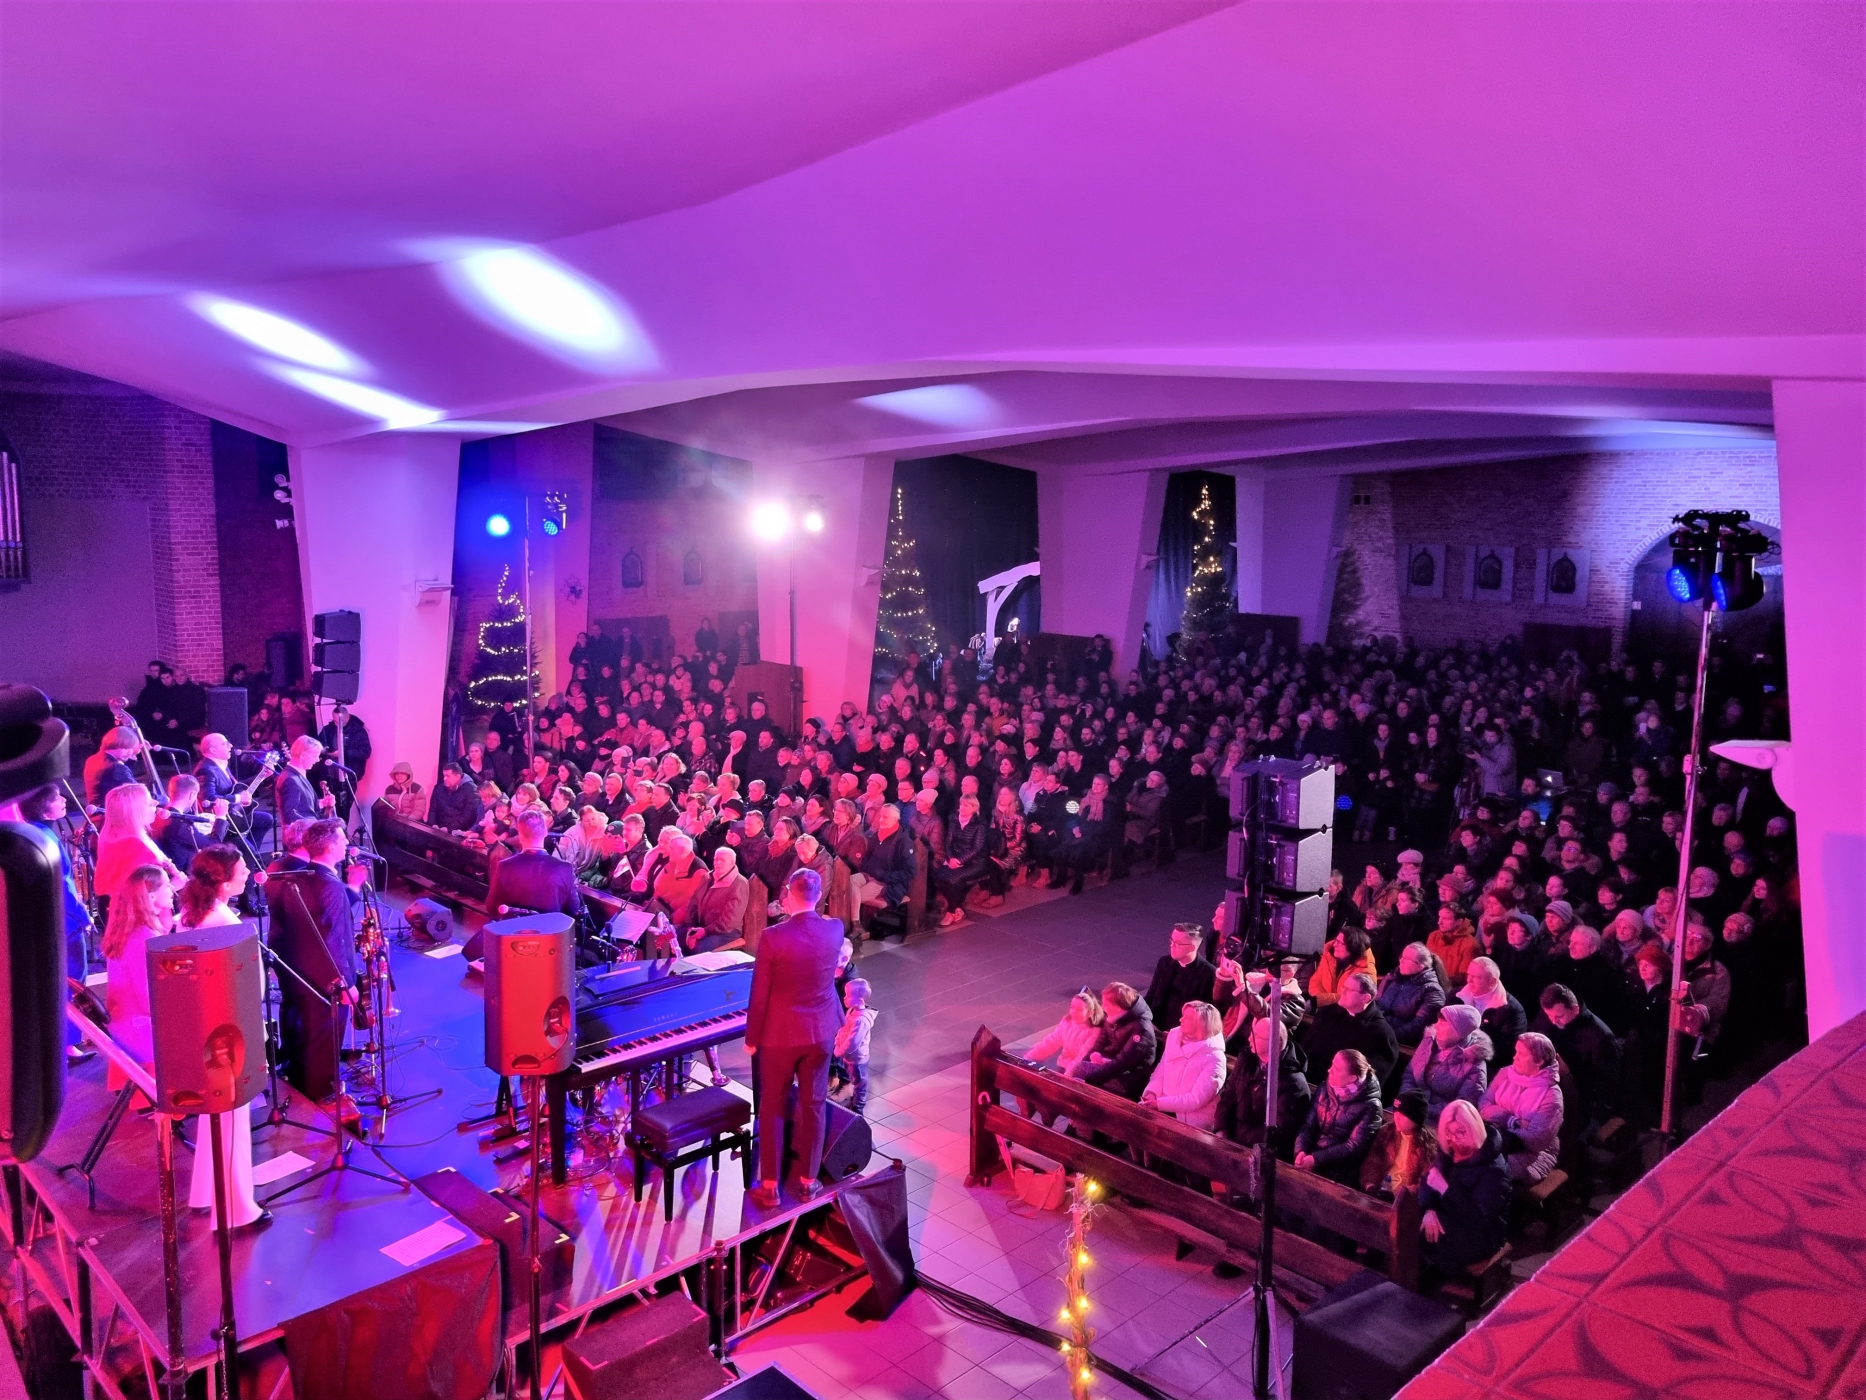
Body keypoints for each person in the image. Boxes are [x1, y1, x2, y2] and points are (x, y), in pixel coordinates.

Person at [176, 846, 267, 1229]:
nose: (247, 873)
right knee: (231, 1122)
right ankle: (236, 1211)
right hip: (227, 1031)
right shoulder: (225, 923)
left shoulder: (191, 915)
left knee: (215, 1116)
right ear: (224, 882)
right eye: (241, 869)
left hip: (204, 1027)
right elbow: (245, 986)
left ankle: (204, 1194)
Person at [746, 868, 845, 1207]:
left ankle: (770, 1186)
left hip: (781, 1034)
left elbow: (760, 993)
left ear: (789, 893)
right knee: (814, 1103)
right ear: (819, 895)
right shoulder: (835, 928)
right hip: (821, 1030)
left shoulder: (773, 937)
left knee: (772, 1105)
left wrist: (752, 1037)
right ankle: (808, 1182)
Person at [267, 819, 365, 1107]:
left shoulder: (301, 877)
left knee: (310, 1030)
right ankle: (321, 1093)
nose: (346, 843)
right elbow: (333, 939)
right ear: (331, 847)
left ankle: (304, 1081)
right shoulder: (330, 885)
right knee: (325, 1034)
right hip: (328, 977)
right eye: (342, 839)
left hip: (302, 967)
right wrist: (345, 982)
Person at [1419, 1100, 1512, 1278]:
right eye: (1448, 1132)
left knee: (1415, 1237)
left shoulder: (1494, 1170)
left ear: (1473, 1129)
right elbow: (1427, 1182)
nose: (1454, 1139)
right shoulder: (1449, 1151)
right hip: (1448, 1218)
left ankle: (1428, 1282)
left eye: (1460, 1132)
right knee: (1405, 1224)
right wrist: (1430, 1210)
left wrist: (1445, 1189)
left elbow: (1478, 1218)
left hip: (1481, 1236)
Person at [100, 863, 166, 1081]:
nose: (172, 890)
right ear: (152, 897)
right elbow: (147, 999)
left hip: (123, 1025)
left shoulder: (127, 931)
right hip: (140, 1031)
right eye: (166, 886)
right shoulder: (145, 937)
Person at [1215, 1012, 1311, 1159]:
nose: (1250, 1039)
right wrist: (1221, 1129)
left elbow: (1277, 1130)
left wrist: (1238, 1141)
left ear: (1275, 1043)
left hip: (1261, 1152)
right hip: (1233, 1137)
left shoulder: (1294, 1083)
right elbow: (1228, 1096)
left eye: (1257, 1037)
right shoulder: (1247, 1060)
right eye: (1252, 1034)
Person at [1478, 1031, 1564, 1183]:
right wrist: (1513, 1121)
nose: (1514, 1057)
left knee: (1484, 1168)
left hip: (1533, 1155)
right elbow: (1483, 1105)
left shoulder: (1551, 1095)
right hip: (1494, 1137)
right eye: (1516, 1052)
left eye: (1522, 1054)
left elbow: (1536, 1139)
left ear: (1539, 1061)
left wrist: (1501, 1120)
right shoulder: (1505, 1073)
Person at [1532, 983, 1622, 1130]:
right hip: (1544, 1089)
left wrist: (1568, 1076)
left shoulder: (1601, 1038)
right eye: (1549, 1016)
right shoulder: (1550, 1016)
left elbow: (1605, 1092)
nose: (1554, 1022)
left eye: (1560, 1016)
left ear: (1575, 1009)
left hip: (1580, 1104)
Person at [1293, 1049, 1384, 1186]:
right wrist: (1301, 1150)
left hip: (1339, 1172)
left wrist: (1316, 1159)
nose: (1329, 1070)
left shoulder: (1371, 1107)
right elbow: (1308, 1125)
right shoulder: (1325, 1088)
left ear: (1352, 1078)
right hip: (1311, 1156)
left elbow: (1353, 1146)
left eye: (1336, 1069)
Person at [1303, 971, 1399, 1087]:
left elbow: (1371, 1079)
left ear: (1365, 998)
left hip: (1341, 1090)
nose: (1342, 992)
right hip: (1308, 1079)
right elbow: (1307, 1046)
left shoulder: (1380, 1033)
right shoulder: (1327, 1013)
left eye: (1349, 990)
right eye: (1343, 987)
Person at [1141, 1001, 1227, 1131]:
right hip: (1162, 1107)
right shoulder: (1174, 1038)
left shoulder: (1215, 1058)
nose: (1181, 1019)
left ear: (1200, 1025)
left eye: (1187, 1018)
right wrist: (1151, 1093)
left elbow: (1196, 1099)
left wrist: (1159, 1104)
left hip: (1192, 1122)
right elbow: (1161, 1071)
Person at [1398, 1003, 1491, 1124]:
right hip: (1408, 1109)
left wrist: (1422, 1109)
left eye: (1442, 1023)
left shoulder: (1475, 1067)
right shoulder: (1429, 1041)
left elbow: (1460, 1108)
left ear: (1457, 1032)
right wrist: (1407, 1100)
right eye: (1438, 1021)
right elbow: (1409, 1075)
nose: (1436, 1026)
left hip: (1438, 1122)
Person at [486, 809, 583, 919]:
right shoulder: (564, 868)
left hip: (514, 929)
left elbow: (492, 907)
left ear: (520, 834)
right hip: (549, 929)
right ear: (545, 832)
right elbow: (573, 909)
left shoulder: (505, 866)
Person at [1079, 982, 1156, 1100]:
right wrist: (1086, 1061)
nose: (1103, 1007)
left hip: (1129, 1079)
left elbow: (1122, 1064)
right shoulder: (1114, 1017)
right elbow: (1098, 1045)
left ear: (1118, 1007)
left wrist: (1091, 1078)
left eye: (1106, 1004)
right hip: (1109, 1066)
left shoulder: (1142, 1029)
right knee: (1079, 1069)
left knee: (1080, 1073)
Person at [1145, 923, 1218, 1040]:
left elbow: (1203, 1017)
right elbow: (1151, 995)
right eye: (1172, 941)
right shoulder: (1165, 962)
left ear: (1192, 948)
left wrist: (1177, 1033)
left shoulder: (1209, 974)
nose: (1172, 946)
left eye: (1178, 943)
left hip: (1183, 1034)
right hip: (1155, 1025)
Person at [1361, 1088, 1436, 1200]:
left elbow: (1424, 1182)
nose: (1397, 1117)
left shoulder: (1427, 1145)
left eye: (1402, 1114)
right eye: (1396, 1112)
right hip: (1378, 1191)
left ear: (1416, 1119)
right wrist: (1371, 1185)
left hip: (1402, 1199)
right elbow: (1373, 1162)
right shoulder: (1387, 1132)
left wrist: (1400, 1195)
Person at [1458, 956, 1527, 1068]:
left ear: (1492, 981)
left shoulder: (1512, 1011)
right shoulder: (1456, 997)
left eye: (1476, 977)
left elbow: (1504, 1051)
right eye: (1469, 975)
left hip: (1486, 1066)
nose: (1469, 980)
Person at [1377, 942, 1447, 1045]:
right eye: (1402, 957)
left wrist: (1390, 1037)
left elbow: (1418, 1025)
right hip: (1381, 1032)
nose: (1401, 961)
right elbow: (1377, 1004)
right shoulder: (1392, 977)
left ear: (1420, 966)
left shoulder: (1432, 991)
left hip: (1402, 1043)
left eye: (1407, 959)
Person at [1026, 990, 1106, 1079]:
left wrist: (1067, 1077)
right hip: (1063, 1065)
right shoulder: (1067, 1022)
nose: (1074, 1012)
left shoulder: (1094, 1031)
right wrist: (1030, 1057)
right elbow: (1051, 1042)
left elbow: (1082, 1057)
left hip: (1079, 1071)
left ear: (1090, 1013)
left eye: (1079, 1009)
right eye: (1072, 1007)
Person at [830, 978, 877, 1114]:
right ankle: (854, 1099)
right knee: (854, 1079)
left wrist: (839, 1051)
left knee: (859, 1083)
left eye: (848, 996)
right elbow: (843, 1029)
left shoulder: (861, 1020)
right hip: (848, 1057)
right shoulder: (851, 1011)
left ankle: (858, 1107)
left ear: (860, 1000)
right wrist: (837, 1041)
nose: (844, 998)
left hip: (857, 1059)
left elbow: (853, 1043)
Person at [1310, 928, 1379, 1009]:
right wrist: (1319, 1002)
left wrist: (1319, 1000)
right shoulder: (1329, 956)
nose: (1334, 945)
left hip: (1348, 1012)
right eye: (1336, 940)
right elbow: (1316, 981)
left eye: (1340, 943)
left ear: (1352, 947)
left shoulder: (1366, 971)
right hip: (1324, 1007)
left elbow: (1350, 998)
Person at [275, 735, 333, 826]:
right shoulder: (290, 780)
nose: (317, 760)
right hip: (302, 833)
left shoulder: (297, 774)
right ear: (303, 755)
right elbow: (290, 816)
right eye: (314, 756)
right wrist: (316, 825)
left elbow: (304, 808)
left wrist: (323, 802)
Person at [83, 725, 145, 810]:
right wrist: (161, 799)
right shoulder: (116, 768)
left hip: (97, 813)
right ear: (116, 744)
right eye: (127, 748)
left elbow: (116, 777)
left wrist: (132, 755)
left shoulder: (92, 759)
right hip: (112, 816)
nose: (130, 752)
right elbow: (140, 794)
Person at [427, 762, 483, 832]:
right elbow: (433, 810)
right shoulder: (439, 788)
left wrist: (449, 829)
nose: (444, 779)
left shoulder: (472, 790)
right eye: (444, 775)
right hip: (438, 829)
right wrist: (433, 824)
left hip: (458, 833)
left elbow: (468, 816)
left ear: (458, 776)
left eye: (448, 776)